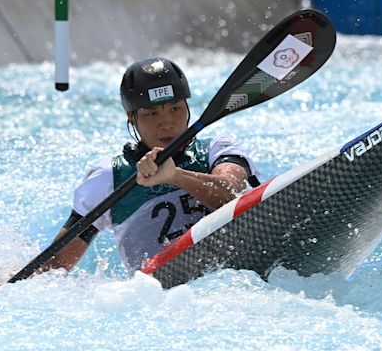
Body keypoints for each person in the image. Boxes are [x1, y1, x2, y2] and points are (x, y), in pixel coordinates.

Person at [43, 57, 258, 275]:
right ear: (131, 118)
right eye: (151, 113)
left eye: (175, 109)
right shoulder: (109, 178)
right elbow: (55, 267)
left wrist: (176, 176)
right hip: (159, 295)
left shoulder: (217, 149)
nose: (166, 123)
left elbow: (233, 193)